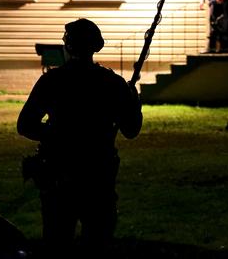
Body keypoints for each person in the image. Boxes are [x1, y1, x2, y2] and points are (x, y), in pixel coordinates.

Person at [17, 18, 143, 258]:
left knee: (57, 244)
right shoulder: (112, 83)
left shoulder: (52, 81)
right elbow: (131, 130)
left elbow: (25, 125)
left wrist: (56, 135)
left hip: (59, 175)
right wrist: (133, 103)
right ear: (96, 45)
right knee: (97, 245)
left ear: (68, 46)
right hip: (98, 176)